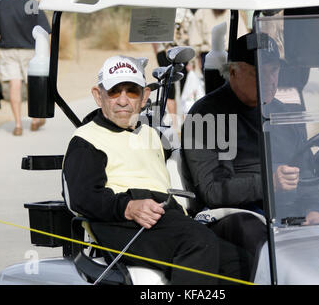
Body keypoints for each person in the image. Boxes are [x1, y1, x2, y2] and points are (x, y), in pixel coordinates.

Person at [61, 54, 253, 285]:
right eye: (114, 92)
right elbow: (82, 197)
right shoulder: (86, 139)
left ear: (144, 97)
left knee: (241, 260)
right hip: (120, 222)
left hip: (160, 217)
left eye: (131, 91)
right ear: (98, 96)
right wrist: (128, 207)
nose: (123, 100)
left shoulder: (150, 134)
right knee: (197, 242)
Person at [181, 33, 319, 271]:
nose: (270, 80)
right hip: (235, 214)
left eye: (274, 71)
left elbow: (307, 174)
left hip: (286, 212)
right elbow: (213, 191)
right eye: (260, 72)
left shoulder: (283, 114)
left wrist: (316, 210)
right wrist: (269, 183)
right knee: (265, 244)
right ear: (233, 73)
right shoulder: (207, 115)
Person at [0, 0, 50, 135]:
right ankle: (34, 120)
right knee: (31, 84)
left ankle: (18, 124)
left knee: (15, 84)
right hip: (30, 49)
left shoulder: (2, 3)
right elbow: (43, 29)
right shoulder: (31, 2)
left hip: (8, 50)